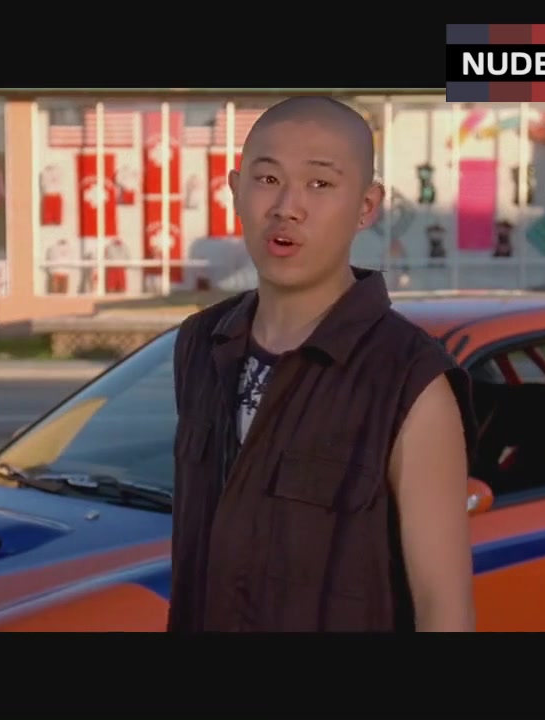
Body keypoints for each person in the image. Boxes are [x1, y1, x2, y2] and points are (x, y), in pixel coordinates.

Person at [168, 97, 477, 633]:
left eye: (320, 183)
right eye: (268, 179)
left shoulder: (410, 382)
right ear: (235, 189)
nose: (288, 207)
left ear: (366, 206)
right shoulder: (200, 344)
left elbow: (443, 611)